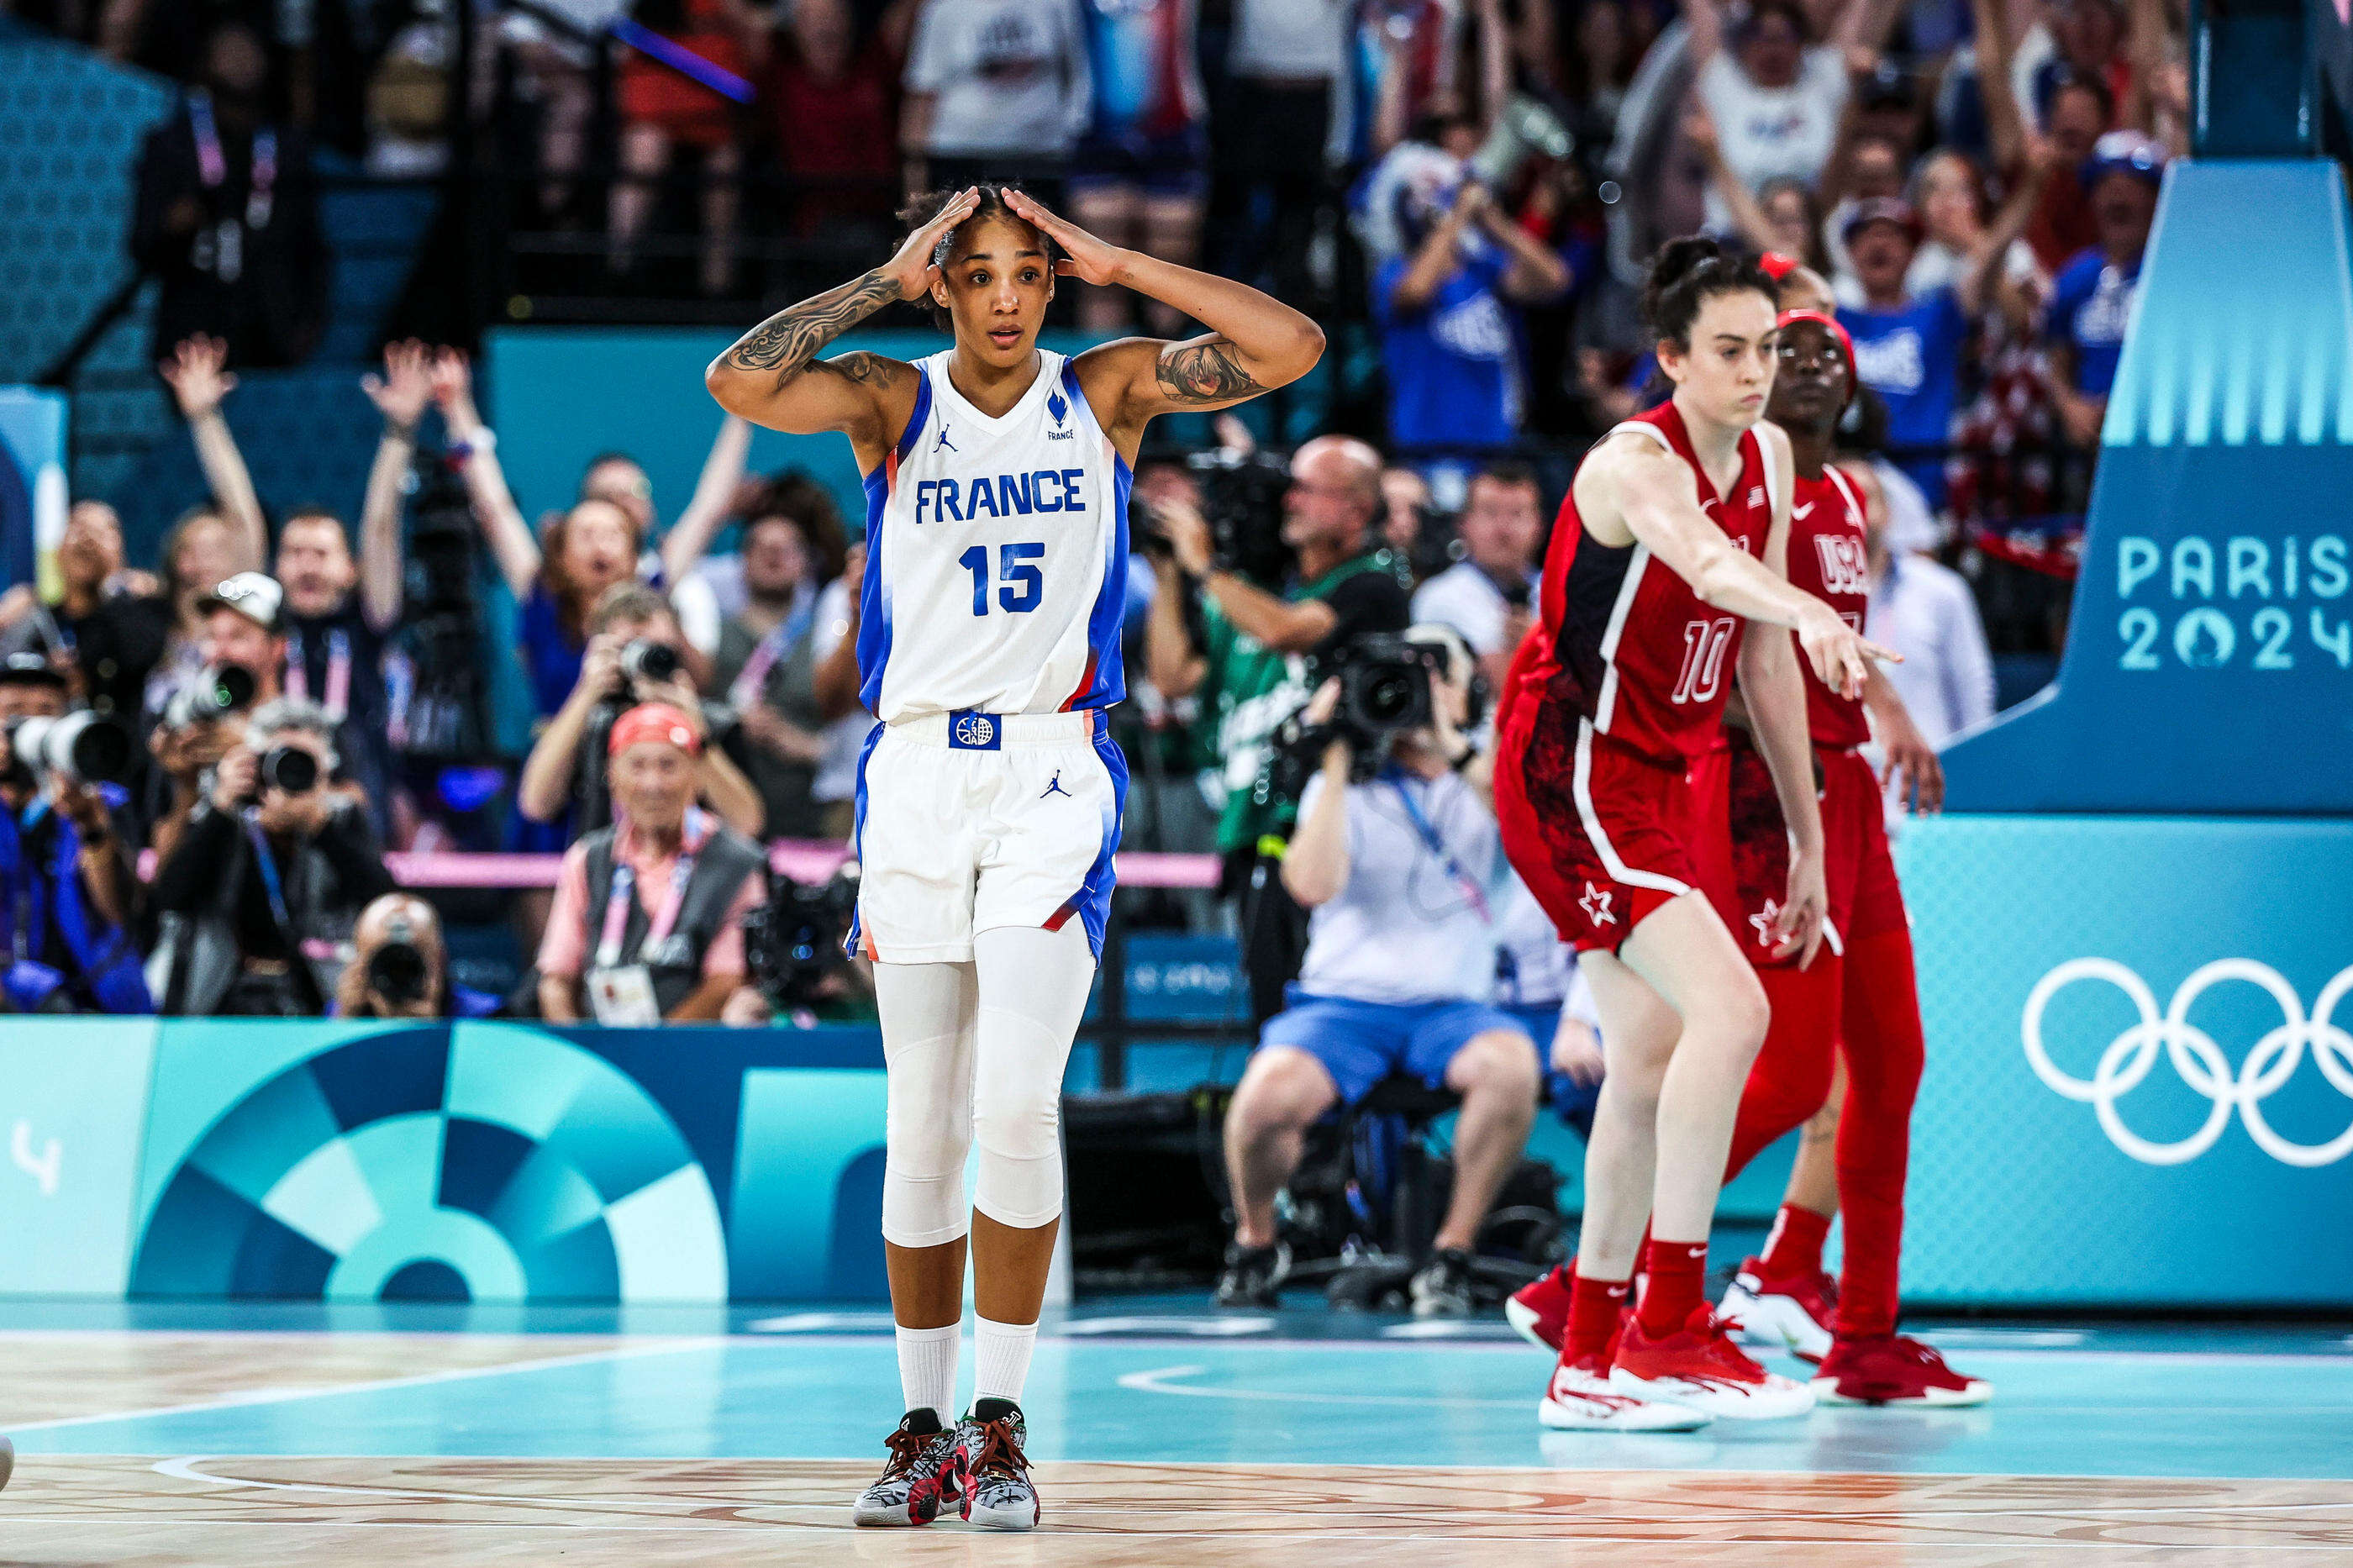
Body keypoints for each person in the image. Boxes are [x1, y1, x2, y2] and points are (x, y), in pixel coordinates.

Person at [704, 180, 1322, 1530]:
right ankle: (919, 1429)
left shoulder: (1100, 391)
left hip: (1050, 763)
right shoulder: (888, 396)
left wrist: (1118, 257)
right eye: (975, 272)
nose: (1002, 295)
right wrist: (881, 277)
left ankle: (1002, 1426)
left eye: (1027, 273)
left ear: (1049, 286)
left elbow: (1291, 351)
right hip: (916, 768)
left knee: (1017, 1106)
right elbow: (739, 383)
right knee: (920, 1122)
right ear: (944, 280)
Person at [1489, 236, 1891, 1429]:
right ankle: (1667, 1328)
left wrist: (1811, 841)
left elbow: (1760, 664)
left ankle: (1590, 1354)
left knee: (1650, 1061)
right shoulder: (1633, 464)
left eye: (1768, 346)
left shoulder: (1768, 453)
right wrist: (1810, 603)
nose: (1758, 372)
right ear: (1669, 358)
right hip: (1568, 769)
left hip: (1661, 775)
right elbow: (1709, 567)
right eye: (1729, 350)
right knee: (1737, 1013)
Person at [1687, 303, 1987, 1405]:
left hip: (1849, 784)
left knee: (1892, 1061)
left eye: (1827, 354)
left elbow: (1829, 634)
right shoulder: (1734, 483)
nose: (1806, 365)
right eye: (1785, 348)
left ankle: (1863, 1334)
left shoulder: (1848, 495)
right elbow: (1735, 645)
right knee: (1791, 1074)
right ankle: (1601, 1277)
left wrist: (1893, 709)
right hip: (1773, 791)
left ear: (1852, 388)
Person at [1216, 626, 1542, 1317]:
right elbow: (1310, 885)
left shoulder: (1485, 768)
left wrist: (1448, 742)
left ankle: (1452, 1255)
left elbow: (1530, 823)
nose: (1411, 691)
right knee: (1262, 1101)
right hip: (1345, 1006)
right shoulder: (1352, 782)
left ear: (1460, 688)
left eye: (1432, 673)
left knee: (1511, 1068)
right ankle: (1256, 1242)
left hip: (1452, 1008)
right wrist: (1334, 761)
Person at [1144, 436, 1413, 1029]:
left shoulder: (1374, 583)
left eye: (1308, 490)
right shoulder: (1248, 593)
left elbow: (1288, 631)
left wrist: (1204, 565)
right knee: (1271, 1012)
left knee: (1323, 1006)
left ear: (1356, 510)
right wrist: (1168, 575)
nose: (1290, 500)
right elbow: (1174, 676)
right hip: (1247, 826)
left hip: (1323, 828)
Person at [150, 695, 393, 1015]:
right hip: (219, 995)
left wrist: (319, 826)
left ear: (325, 770)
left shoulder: (341, 819)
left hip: (317, 997)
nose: (289, 775)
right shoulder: (225, 815)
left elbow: (384, 902)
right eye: (278, 761)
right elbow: (171, 899)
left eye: (303, 763)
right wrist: (222, 806)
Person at [534, 703, 768, 1024]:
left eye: (668, 766)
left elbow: (727, 980)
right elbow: (555, 980)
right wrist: (579, 1050)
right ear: (612, 776)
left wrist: (652, 1053)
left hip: (697, 1049)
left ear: (697, 775)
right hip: (602, 1048)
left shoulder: (737, 862)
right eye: (637, 766)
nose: (653, 784)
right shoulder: (587, 858)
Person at [1837, 166, 2046, 508]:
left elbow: (1990, 263)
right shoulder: (1832, 318)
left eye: (1892, 235)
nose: (1879, 243)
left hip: (1924, 487)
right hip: (1847, 483)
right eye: (1866, 235)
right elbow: (1778, 259)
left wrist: (2032, 184)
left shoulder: (1940, 313)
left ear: (1913, 252)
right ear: (1849, 252)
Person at [129, 21, 329, 369]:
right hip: (192, 333)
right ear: (206, 64)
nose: (241, 61)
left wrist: (309, 324)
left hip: (271, 335)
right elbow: (141, 243)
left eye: (248, 50)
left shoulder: (287, 148)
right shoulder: (172, 146)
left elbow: (313, 247)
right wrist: (173, 226)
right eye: (229, 51)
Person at [1371, 172, 1569, 492]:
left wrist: (1497, 226)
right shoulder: (1394, 273)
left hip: (1495, 448)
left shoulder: (1483, 269)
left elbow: (1555, 280)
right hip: (1431, 449)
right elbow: (1415, 292)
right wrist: (1457, 217)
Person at [517, 582, 762, 839]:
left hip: (697, 875)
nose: (645, 661)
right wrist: (586, 693)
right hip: (605, 874)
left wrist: (695, 731)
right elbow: (536, 804)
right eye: (630, 649)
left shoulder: (714, 724)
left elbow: (747, 824)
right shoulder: (590, 725)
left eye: (658, 650)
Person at [0, 655, 148, 1014]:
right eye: (14, 711)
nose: (30, 724)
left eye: (47, 710)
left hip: (92, 1006)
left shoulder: (101, 800)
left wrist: (90, 827)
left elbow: (120, 912)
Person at [1068, 0, 1207, 335]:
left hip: (1174, 131)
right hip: (1096, 130)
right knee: (1099, 274)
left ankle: (1168, 377)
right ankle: (1098, 381)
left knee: (1171, 269)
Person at [710, 501, 839, 838]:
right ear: (742, 561)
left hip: (810, 825)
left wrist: (801, 743)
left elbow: (853, 736)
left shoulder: (827, 639)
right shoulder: (710, 634)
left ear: (806, 564)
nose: (774, 555)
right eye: (761, 547)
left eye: (787, 548)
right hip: (724, 827)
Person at [900, 0, 1091, 203]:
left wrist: (1073, 134)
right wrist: (915, 182)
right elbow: (922, 92)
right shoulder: (945, 8)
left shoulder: (1059, 5)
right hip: (960, 161)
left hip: (1040, 160)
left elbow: (1078, 75)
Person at [0, 501, 171, 721]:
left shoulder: (144, 611)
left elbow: (140, 655)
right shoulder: (32, 620)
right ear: (59, 550)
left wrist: (114, 583)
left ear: (121, 552)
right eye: (79, 529)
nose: (89, 539)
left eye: (102, 532)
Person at [2043, 132, 2161, 450]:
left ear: (2155, 199)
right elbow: (2055, 362)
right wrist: (2071, 407)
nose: (2117, 198)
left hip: (2156, 436)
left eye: (2132, 187)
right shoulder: (2076, 276)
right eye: (2106, 187)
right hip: (2090, 446)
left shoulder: (2168, 276)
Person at [1410, 460, 1544, 692]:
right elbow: (1499, 685)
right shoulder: (1438, 596)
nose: (1504, 529)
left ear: (1539, 526)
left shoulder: (1565, 593)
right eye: (1490, 513)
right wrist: (1542, 646)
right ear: (1463, 524)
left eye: (1518, 514)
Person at [336, 892, 501, 1019]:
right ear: (358, 963)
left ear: (440, 959)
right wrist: (345, 1028)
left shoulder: (485, 1018)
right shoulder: (343, 1014)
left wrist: (430, 1034)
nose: (398, 973)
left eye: (410, 961)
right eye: (384, 958)